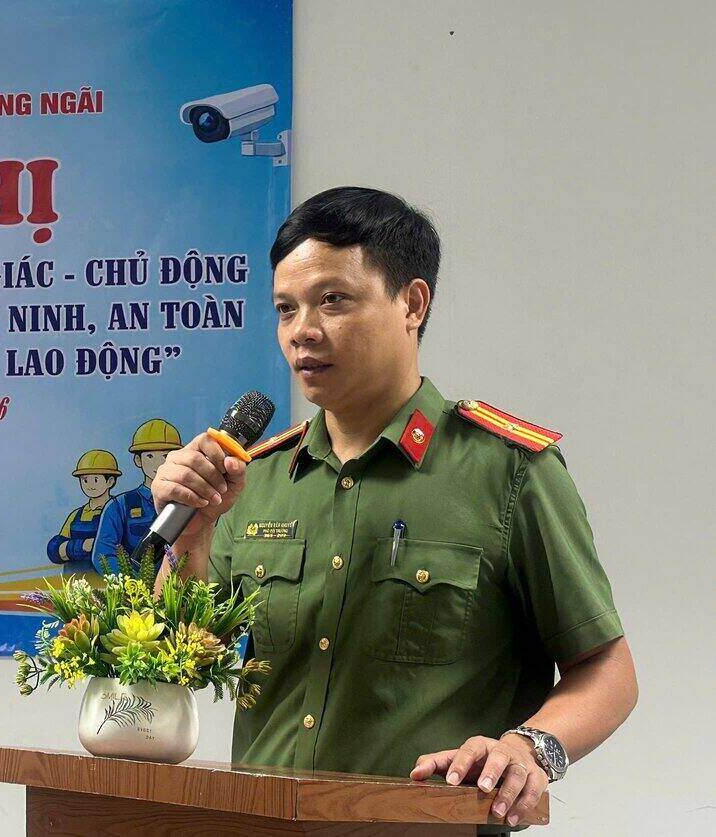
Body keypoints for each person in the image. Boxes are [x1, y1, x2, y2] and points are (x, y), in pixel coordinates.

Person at [153, 187, 637, 833]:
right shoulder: (258, 477)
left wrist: (528, 748)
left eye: (334, 300)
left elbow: (607, 668)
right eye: (285, 308)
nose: (303, 330)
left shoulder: (508, 470)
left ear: (412, 303)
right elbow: (178, 660)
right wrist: (196, 530)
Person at [92, 418, 181, 573]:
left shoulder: (186, 503)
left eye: (165, 456)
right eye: (150, 456)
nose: (158, 463)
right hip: (135, 593)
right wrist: (136, 584)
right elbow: (103, 556)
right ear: (138, 460)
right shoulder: (119, 506)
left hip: (180, 592)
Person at [47, 450, 120, 575]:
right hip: (75, 586)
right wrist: (82, 546)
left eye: (96, 480)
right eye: (85, 480)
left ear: (110, 481)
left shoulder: (119, 511)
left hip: (108, 586)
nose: (90, 485)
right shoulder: (76, 515)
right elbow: (54, 549)